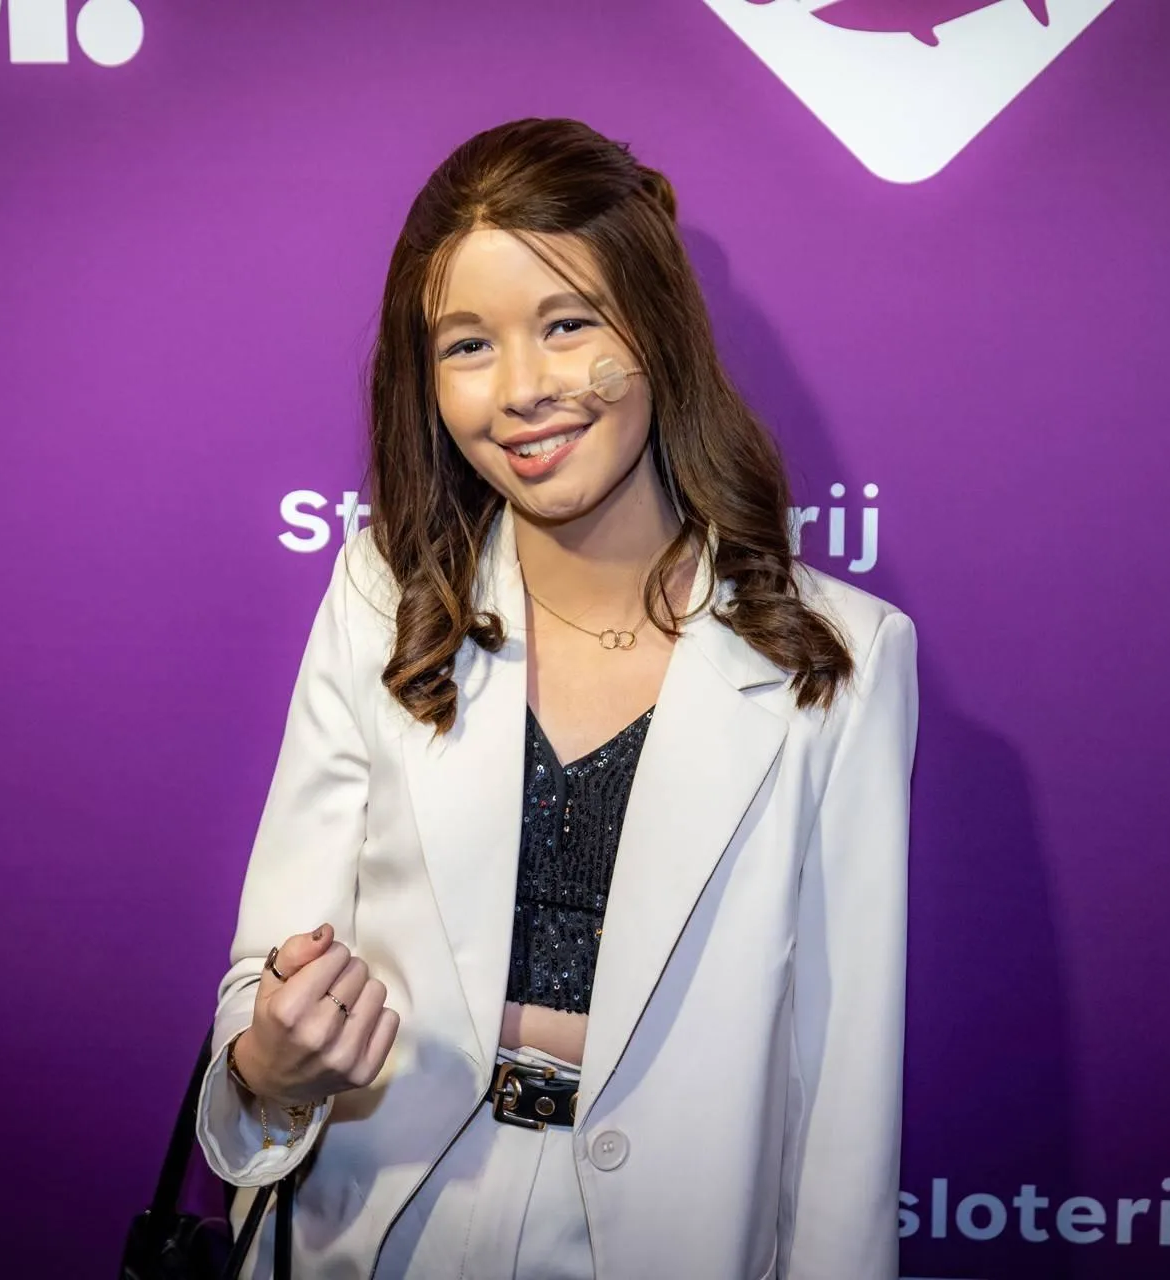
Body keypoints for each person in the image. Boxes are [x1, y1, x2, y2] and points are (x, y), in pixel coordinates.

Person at [195, 116, 920, 1280]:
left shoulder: (842, 657)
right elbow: (263, 989)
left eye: (568, 323)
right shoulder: (383, 598)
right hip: (379, 1224)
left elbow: (843, 1094)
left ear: (656, 326)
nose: (522, 390)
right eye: (467, 344)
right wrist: (269, 1065)